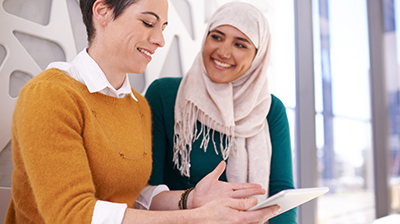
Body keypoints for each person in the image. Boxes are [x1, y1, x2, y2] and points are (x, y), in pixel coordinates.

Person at [4, 0, 281, 223]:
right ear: (102, 12)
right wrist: (196, 217)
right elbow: (70, 215)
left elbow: (134, 197)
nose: (160, 39)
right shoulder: (50, 95)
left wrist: (190, 199)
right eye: (148, 22)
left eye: (163, 26)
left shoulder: (137, 105)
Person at [145, 2, 297, 223]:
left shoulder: (270, 109)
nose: (223, 52)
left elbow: (281, 194)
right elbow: (147, 194)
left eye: (240, 44)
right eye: (216, 37)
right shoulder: (165, 96)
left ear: (258, 55)